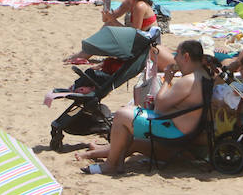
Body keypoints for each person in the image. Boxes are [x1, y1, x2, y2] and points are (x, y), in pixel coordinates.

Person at [80, 39, 208, 175]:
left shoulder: (188, 80)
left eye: (177, 55)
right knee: (126, 115)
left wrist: (167, 80)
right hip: (185, 128)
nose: (175, 58)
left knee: (121, 115)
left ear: (186, 56)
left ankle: (110, 165)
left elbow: (159, 107)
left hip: (175, 131)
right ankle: (117, 163)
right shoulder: (203, 76)